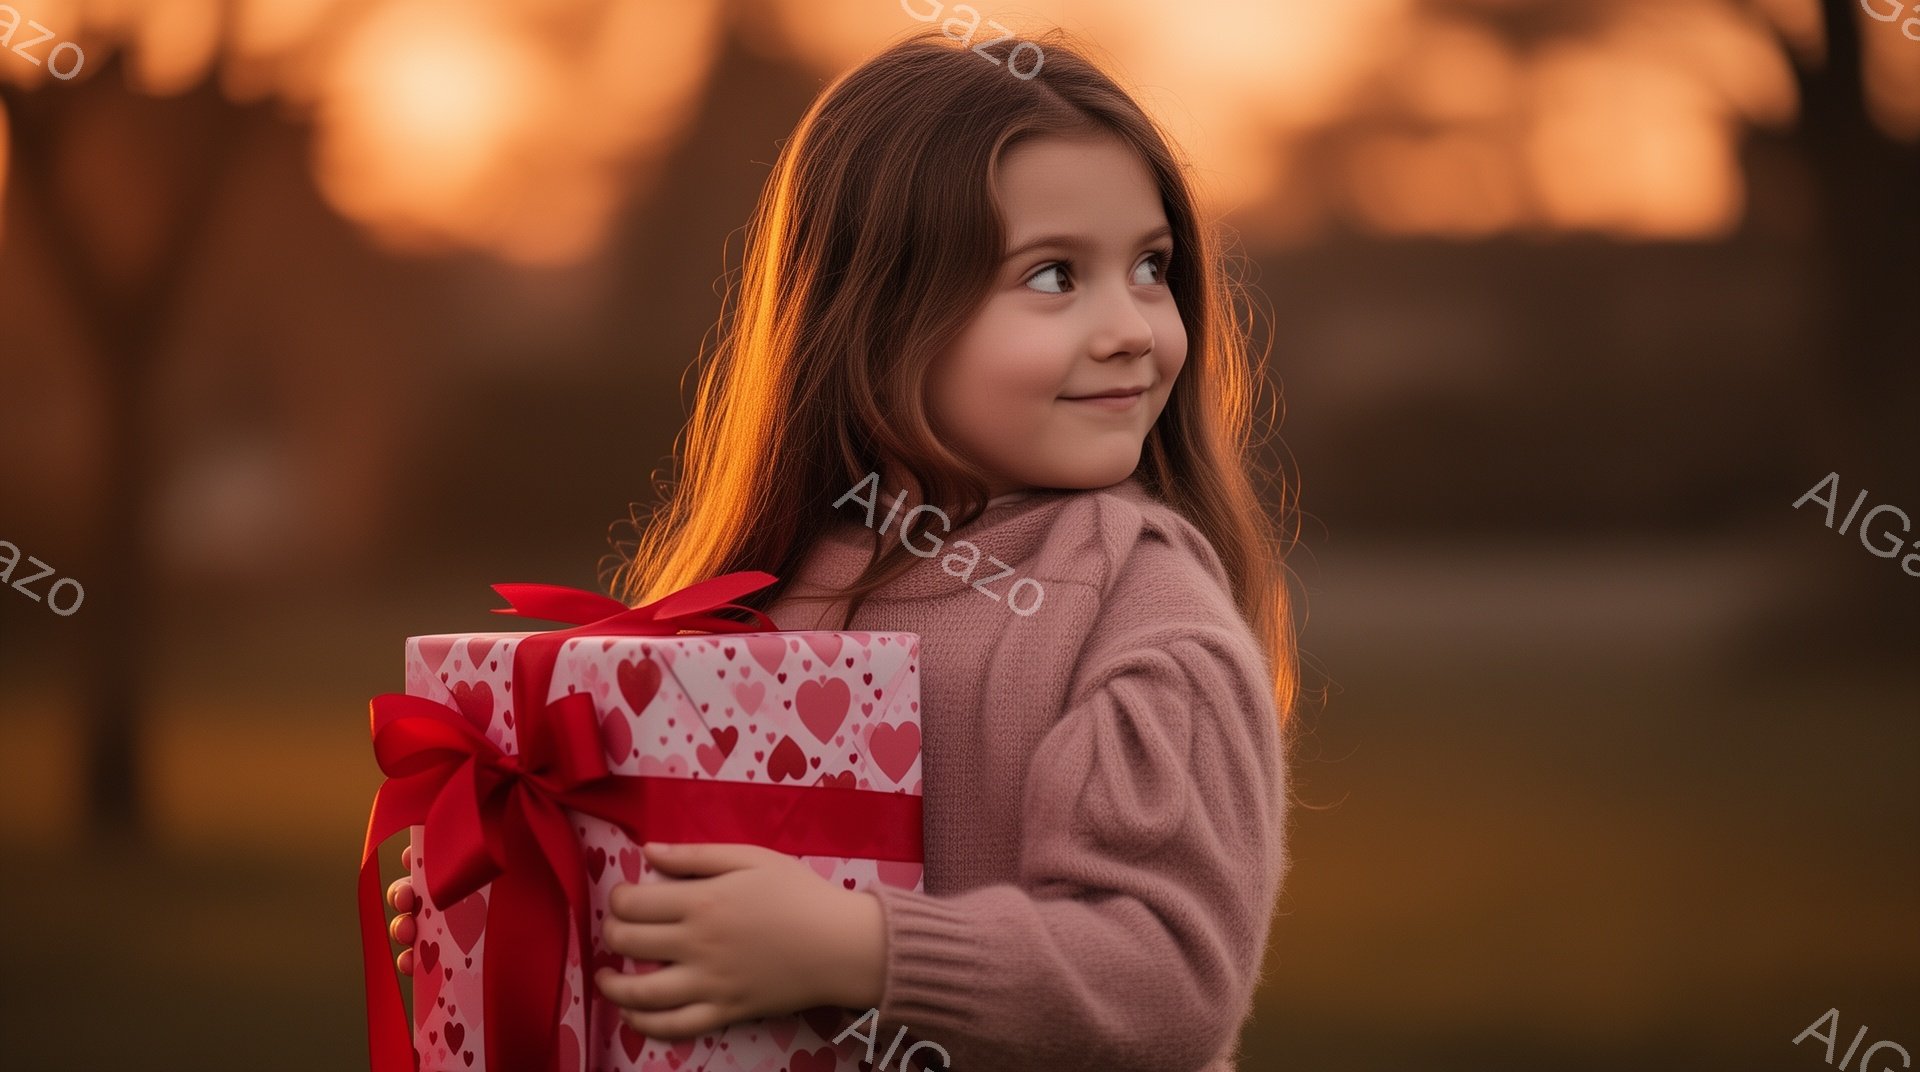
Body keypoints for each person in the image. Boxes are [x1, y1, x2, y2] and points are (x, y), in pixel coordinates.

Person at [383, 26, 1298, 1072]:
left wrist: (859, 950)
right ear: (878, 313)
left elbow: (1172, 981)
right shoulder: (760, 591)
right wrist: (530, 903)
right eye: (1054, 275)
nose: (1135, 326)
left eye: (1150, 267)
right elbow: (700, 918)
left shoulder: (1141, 618)